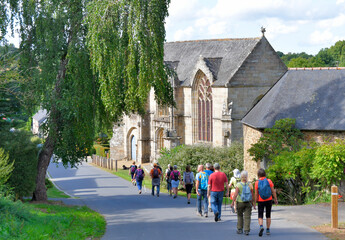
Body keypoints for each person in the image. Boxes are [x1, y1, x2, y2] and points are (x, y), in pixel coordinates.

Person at [254, 168, 278, 237]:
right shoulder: (269, 181)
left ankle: (261, 226)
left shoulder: (257, 182)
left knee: (260, 215)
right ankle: (268, 229)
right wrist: (275, 199)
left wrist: (255, 202)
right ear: (265, 174)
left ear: (258, 175)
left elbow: (256, 194)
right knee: (268, 215)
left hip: (260, 201)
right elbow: (273, 191)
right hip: (269, 200)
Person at [231, 170, 255, 235]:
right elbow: (252, 194)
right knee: (247, 217)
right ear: (247, 177)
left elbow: (235, 194)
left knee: (240, 216)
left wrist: (233, 202)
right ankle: (246, 230)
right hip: (248, 202)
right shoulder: (250, 184)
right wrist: (253, 203)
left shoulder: (238, 185)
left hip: (240, 202)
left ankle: (239, 229)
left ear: (241, 177)